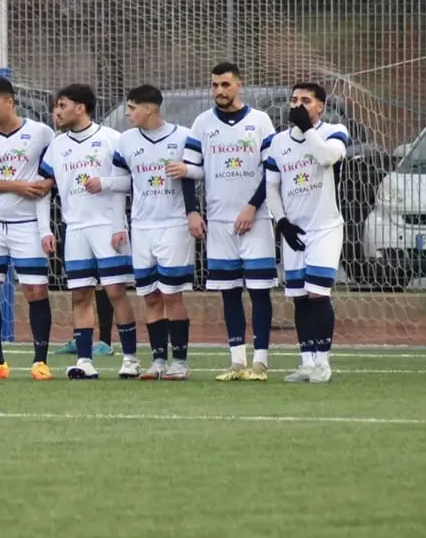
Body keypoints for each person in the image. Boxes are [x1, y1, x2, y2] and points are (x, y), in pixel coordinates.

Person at [168, 62, 277, 381]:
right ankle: (237, 361)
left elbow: (271, 170)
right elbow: (187, 171)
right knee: (228, 291)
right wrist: (192, 211)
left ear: (239, 85)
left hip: (256, 220)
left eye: (225, 85)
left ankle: (261, 361)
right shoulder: (201, 124)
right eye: (215, 85)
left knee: (259, 291)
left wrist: (251, 207)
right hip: (218, 223)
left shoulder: (260, 121)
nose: (219, 91)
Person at [38, 84, 141, 379]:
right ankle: (84, 361)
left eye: (62, 105)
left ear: (80, 108)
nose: (56, 112)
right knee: (80, 295)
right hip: (76, 230)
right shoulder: (57, 146)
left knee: (116, 292)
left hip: (108, 227)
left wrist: (107, 190)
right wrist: (45, 229)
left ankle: (130, 359)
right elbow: (43, 190)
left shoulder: (112, 139)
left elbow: (132, 181)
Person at [0, 77, 55, 380]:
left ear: (10, 101)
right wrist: (17, 185)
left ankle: (40, 361)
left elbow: (53, 174)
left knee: (35, 290)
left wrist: (45, 186)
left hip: (27, 224)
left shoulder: (40, 133)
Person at [264, 82, 349, 383]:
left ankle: (323, 363)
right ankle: (306, 362)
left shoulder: (333, 132)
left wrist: (308, 130)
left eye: (306, 101)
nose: (298, 105)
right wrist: (282, 221)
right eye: (294, 100)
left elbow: (327, 157)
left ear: (320, 107)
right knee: (299, 297)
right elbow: (271, 186)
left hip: (325, 227)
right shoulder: (277, 142)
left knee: (317, 294)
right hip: (295, 230)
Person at [112, 85, 196, 380]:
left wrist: (187, 172)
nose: (128, 113)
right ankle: (159, 360)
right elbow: (121, 183)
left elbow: (199, 172)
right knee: (148, 295)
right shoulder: (125, 141)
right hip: (141, 226)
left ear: (149, 109)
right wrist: (116, 222)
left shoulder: (183, 136)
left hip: (173, 224)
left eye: (132, 107)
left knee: (171, 294)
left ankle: (180, 363)